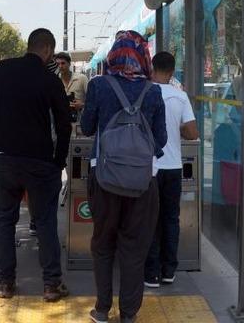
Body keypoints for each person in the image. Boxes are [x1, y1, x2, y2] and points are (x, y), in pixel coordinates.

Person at [0, 29, 71, 303]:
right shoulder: (50, 80)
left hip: (2, 157)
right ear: (49, 50)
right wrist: (59, 160)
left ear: (28, 46)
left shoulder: (2, 68)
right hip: (39, 161)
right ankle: (51, 285)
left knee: (5, 219)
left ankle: (6, 283)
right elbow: (64, 123)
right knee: (44, 221)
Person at [81, 30, 167, 323]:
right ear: (143, 57)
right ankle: (129, 314)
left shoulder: (98, 86)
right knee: (134, 247)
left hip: (104, 177)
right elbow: (161, 140)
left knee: (103, 243)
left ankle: (102, 310)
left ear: (114, 55)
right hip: (143, 182)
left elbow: (88, 127)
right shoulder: (153, 91)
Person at [144, 52, 198, 289]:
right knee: (170, 219)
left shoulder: (144, 94)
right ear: (173, 72)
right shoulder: (180, 96)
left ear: (152, 69)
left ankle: (151, 273)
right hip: (174, 167)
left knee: (150, 220)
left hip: (151, 168)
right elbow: (193, 133)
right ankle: (168, 271)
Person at [55, 52, 89, 121]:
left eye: (63, 63)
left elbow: (93, 100)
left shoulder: (82, 78)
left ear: (69, 63)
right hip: (62, 122)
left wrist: (82, 105)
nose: (60, 66)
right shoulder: (55, 81)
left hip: (79, 122)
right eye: (58, 64)